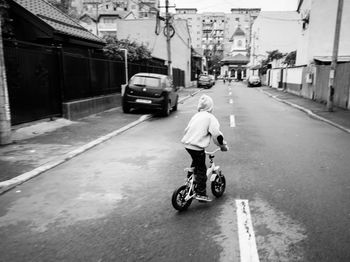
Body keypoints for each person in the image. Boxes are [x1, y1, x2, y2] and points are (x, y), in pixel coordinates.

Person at [181, 94, 228, 202]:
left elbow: (187, 129)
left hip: (188, 144)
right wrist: (223, 146)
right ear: (211, 107)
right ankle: (200, 193)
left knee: (196, 163)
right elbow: (217, 135)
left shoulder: (196, 116)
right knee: (202, 169)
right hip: (197, 147)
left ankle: (189, 182)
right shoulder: (210, 117)